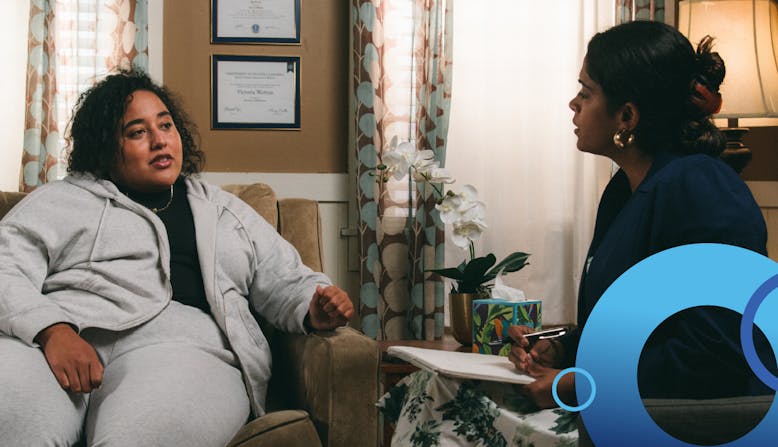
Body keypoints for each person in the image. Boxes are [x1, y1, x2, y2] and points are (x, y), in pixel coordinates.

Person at [0, 69, 354, 446]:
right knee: (22, 428)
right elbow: (6, 266)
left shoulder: (224, 212)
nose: (159, 141)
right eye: (137, 132)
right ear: (104, 147)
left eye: (165, 126)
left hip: (179, 347)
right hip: (57, 337)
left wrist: (314, 306)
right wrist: (52, 331)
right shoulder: (61, 200)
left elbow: (287, 279)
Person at [507, 20, 774, 409]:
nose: (573, 104)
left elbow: (718, 352)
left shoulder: (701, 188)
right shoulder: (624, 191)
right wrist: (562, 350)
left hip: (706, 422)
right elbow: (639, 333)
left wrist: (575, 386)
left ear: (627, 117)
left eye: (586, 92)